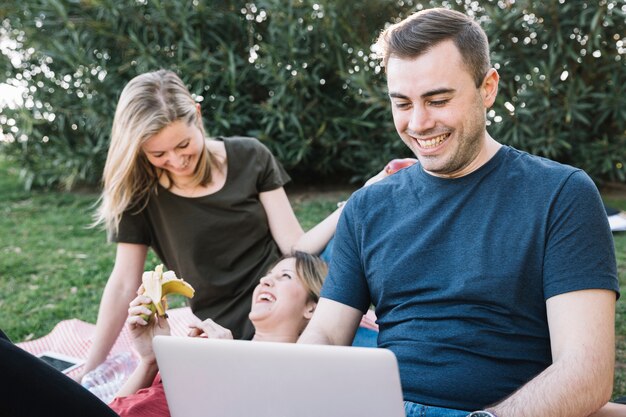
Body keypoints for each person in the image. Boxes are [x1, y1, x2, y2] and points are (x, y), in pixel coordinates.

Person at [298, 8, 621, 417]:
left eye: (438, 100)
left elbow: (586, 371)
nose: (418, 123)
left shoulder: (561, 194)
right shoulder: (368, 207)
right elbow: (326, 333)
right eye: (402, 103)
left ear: (488, 88)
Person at [80, 69, 341, 379]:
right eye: (158, 154)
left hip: (283, 314)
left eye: (183, 145)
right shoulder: (139, 194)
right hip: (221, 334)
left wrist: (352, 205)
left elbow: (294, 248)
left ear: (198, 117)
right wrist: (90, 369)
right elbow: (124, 283)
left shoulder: (250, 156)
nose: (177, 162)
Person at [109, 251, 327, 417]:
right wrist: (151, 361)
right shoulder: (215, 345)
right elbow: (118, 407)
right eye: (268, 275)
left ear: (312, 307)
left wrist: (227, 367)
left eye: (285, 276)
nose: (265, 281)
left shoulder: (290, 380)